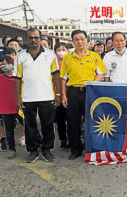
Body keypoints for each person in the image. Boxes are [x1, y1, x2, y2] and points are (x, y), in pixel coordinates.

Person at [15, 27, 61, 163]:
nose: (33, 40)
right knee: (30, 125)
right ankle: (33, 150)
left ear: (40, 39)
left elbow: (55, 74)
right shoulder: (20, 56)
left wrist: (57, 93)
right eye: (31, 37)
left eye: (36, 37)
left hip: (47, 96)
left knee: (47, 124)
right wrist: (18, 97)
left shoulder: (50, 54)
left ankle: (47, 149)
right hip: (27, 97)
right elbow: (17, 77)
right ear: (27, 39)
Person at [60, 30, 106, 160]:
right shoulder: (68, 58)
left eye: (82, 39)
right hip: (73, 92)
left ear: (86, 40)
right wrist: (63, 95)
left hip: (89, 91)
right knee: (72, 122)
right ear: (72, 42)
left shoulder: (94, 56)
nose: (80, 42)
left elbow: (101, 72)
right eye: (76, 39)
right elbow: (63, 78)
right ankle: (76, 149)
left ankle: (93, 147)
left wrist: (92, 83)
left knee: (92, 121)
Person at [3, 48, 25, 146]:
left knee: (26, 124)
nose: (6, 66)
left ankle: (32, 143)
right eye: (3, 64)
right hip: (6, 107)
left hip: (19, 104)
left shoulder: (19, 74)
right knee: (8, 129)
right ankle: (11, 148)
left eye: (8, 63)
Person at [54, 43, 70, 151]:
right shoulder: (53, 64)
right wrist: (57, 95)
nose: (61, 52)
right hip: (57, 95)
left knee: (71, 119)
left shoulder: (71, 62)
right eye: (59, 50)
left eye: (63, 49)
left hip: (70, 94)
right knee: (60, 119)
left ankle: (72, 139)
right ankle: (63, 140)